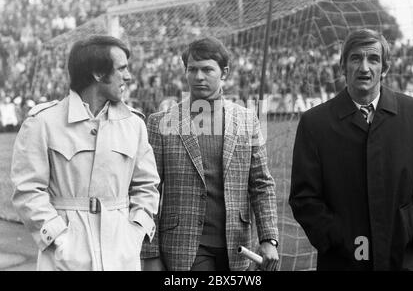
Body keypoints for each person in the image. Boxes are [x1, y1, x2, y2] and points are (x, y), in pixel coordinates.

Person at [10, 35, 160, 271]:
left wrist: (135, 233)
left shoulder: (134, 124)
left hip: (122, 255)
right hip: (64, 256)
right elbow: (28, 190)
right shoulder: (44, 122)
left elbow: (147, 186)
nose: (129, 76)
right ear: (98, 74)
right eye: (121, 69)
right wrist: (60, 240)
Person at [289, 28, 413, 271]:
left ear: (385, 68)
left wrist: (410, 227)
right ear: (342, 66)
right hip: (343, 261)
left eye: (373, 59)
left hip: (406, 257)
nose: (364, 67)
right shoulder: (314, 123)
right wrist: (340, 238)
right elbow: (304, 197)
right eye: (356, 58)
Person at [141, 37, 279, 271]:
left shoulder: (247, 120)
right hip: (185, 247)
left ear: (223, 72)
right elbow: (148, 191)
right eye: (192, 69)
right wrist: (150, 254)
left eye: (207, 69)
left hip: (237, 247)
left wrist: (269, 239)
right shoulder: (160, 123)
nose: (199, 77)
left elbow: (261, 184)